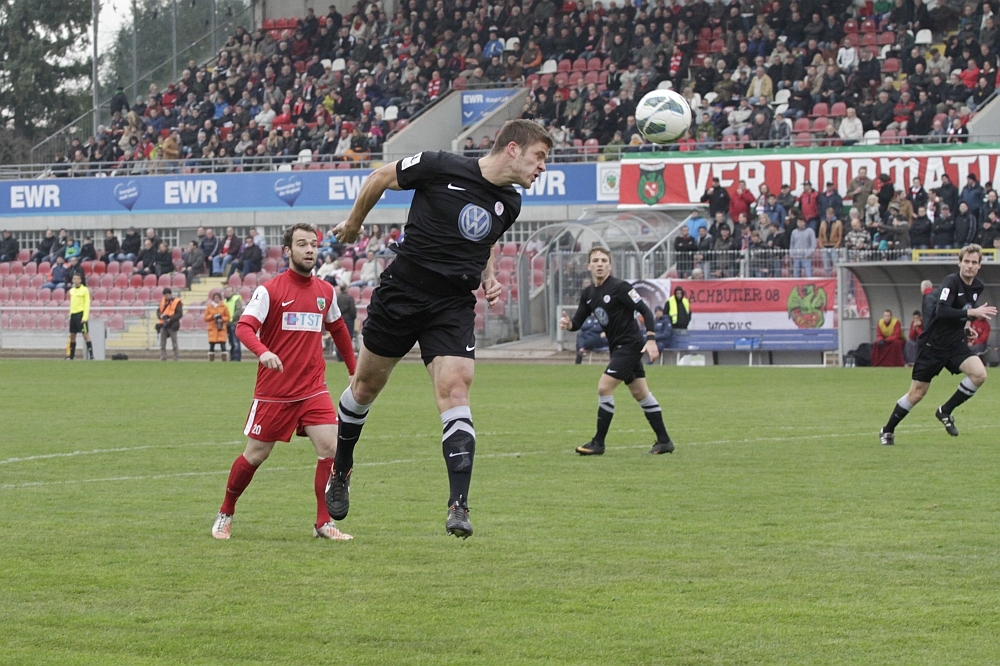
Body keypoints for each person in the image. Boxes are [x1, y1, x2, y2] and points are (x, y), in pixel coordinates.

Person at [325, 119, 551, 539]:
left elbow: (486, 240)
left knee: (456, 389)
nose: (542, 167)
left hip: (452, 304)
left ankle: (458, 505)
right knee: (365, 388)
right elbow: (379, 177)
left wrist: (488, 276)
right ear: (513, 149)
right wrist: (354, 224)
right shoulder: (439, 165)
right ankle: (341, 468)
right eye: (539, 156)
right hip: (403, 292)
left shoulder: (510, 203)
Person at [211, 223, 357, 541]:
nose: (309, 249)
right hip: (274, 392)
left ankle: (323, 523)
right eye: (302, 244)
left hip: (313, 388)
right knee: (256, 454)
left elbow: (339, 329)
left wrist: (353, 369)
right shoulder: (270, 291)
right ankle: (225, 512)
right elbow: (244, 327)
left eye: (313, 244)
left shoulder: (325, 292)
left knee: (331, 448)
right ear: (288, 250)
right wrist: (263, 352)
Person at [559, 247, 674, 456]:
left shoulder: (620, 287)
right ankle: (664, 441)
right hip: (618, 348)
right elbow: (577, 322)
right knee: (640, 393)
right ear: (589, 266)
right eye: (596, 260)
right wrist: (568, 325)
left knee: (604, 388)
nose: (600, 264)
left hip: (629, 346)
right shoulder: (588, 293)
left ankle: (598, 443)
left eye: (604, 260)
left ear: (610, 266)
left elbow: (646, 311)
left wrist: (651, 339)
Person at [879, 245, 997, 445]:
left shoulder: (977, 286)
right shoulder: (951, 282)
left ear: (979, 265)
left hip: (955, 344)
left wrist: (966, 327)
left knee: (979, 374)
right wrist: (971, 314)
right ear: (959, 263)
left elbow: (962, 310)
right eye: (966, 261)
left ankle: (945, 410)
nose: (969, 266)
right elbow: (942, 311)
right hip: (933, 345)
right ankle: (887, 430)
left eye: (974, 262)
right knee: (917, 393)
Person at [66, 273, 92, 360]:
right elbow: (72, 304)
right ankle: (71, 356)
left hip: (81, 314)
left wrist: (85, 317)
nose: (76, 280)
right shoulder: (72, 291)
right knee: (72, 336)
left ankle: (91, 356)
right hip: (73, 315)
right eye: (74, 278)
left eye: (77, 278)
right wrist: (70, 315)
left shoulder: (85, 290)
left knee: (85, 335)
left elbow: (87, 304)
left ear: (80, 280)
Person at [157, 287, 183, 361]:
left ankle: (176, 358)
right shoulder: (162, 302)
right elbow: (158, 311)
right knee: (162, 344)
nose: (166, 297)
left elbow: (179, 314)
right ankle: (163, 357)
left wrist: (170, 319)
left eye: (167, 295)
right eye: (165, 295)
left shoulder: (177, 302)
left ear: (171, 294)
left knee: (174, 343)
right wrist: (160, 316)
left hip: (172, 324)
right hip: (163, 324)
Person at [204, 291, 231, 361]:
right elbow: (206, 318)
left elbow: (228, 317)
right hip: (212, 328)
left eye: (218, 297)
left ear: (220, 298)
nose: (216, 299)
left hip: (221, 328)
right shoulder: (209, 307)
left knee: (223, 344)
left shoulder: (224, 307)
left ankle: (224, 359)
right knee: (212, 345)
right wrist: (212, 316)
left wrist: (221, 318)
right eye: (215, 298)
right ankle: (211, 359)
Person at [223, 285, 244, 361]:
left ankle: (236, 357)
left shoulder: (236, 299)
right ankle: (232, 357)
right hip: (228, 324)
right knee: (231, 342)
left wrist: (231, 319)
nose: (228, 292)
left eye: (229, 291)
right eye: (227, 291)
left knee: (235, 341)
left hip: (234, 323)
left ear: (233, 292)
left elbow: (238, 311)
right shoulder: (225, 301)